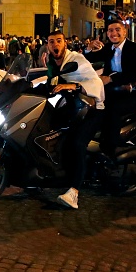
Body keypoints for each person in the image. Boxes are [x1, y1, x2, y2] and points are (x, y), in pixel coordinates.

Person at [45, 30, 105, 209]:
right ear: (47, 46)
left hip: (94, 109)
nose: (55, 45)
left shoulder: (76, 60)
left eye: (58, 41)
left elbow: (96, 83)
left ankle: (74, 193)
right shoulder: (52, 62)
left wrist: (75, 85)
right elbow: (50, 81)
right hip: (74, 108)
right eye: (51, 42)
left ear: (65, 44)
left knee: (77, 143)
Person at [84, 17, 136, 151]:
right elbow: (90, 59)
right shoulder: (108, 48)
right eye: (110, 30)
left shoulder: (135, 48)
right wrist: (88, 48)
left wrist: (111, 79)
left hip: (132, 92)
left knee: (111, 109)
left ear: (124, 32)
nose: (114, 33)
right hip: (111, 90)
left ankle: (112, 145)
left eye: (117, 30)